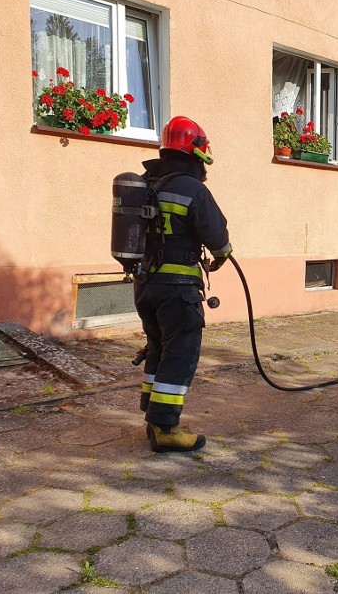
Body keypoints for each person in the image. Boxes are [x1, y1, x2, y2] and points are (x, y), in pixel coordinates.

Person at [134, 116, 232, 453]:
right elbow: (216, 236)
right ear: (196, 153)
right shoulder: (192, 188)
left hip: (145, 286)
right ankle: (166, 429)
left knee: (158, 349)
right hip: (178, 290)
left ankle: (153, 418)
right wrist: (222, 255)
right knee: (180, 352)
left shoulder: (146, 182)